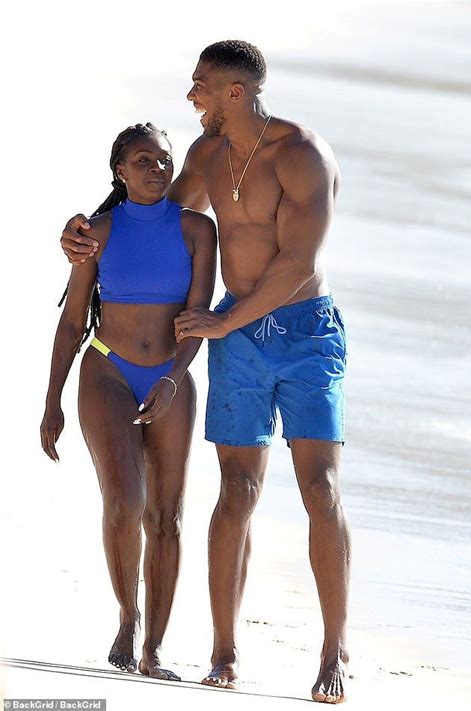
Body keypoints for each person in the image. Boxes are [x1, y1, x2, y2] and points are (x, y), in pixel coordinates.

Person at [60, 40, 351, 705]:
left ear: (235, 93)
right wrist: (82, 233)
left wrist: (224, 318)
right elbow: (151, 214)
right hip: (238, 338)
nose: (191, 97)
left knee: (319, 485)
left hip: (305, 331)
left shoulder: (304, 155)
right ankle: (225, 651)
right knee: (237, 488)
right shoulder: (204, 157)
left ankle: (334, 648)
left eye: (200, 86)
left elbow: (301, 262)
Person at [42, 122, 216, 680]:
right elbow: (72, 323)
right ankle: (127, 618)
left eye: (164, 160)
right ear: (119, 170)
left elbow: (196, 320)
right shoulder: (97, 232)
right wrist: (51, 403)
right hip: (107, 371)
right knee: (125, 502)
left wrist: (174, 377)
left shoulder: (197, 230)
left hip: (172, 374)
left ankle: (154, 650)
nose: (157, 169)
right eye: (143, 161)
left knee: (167, 517)